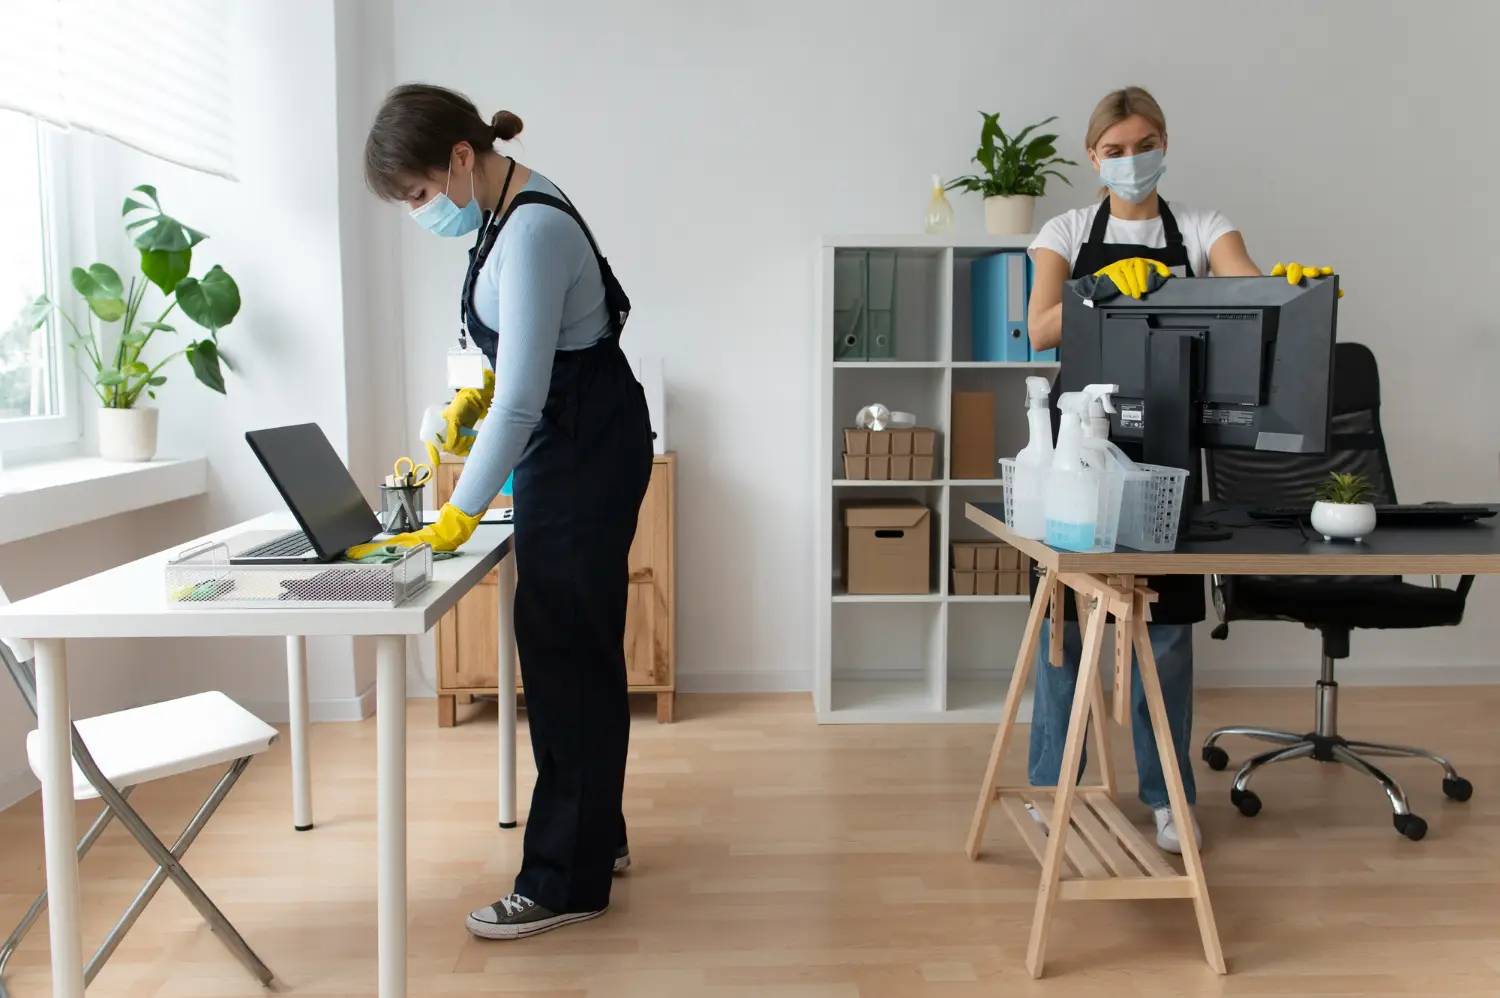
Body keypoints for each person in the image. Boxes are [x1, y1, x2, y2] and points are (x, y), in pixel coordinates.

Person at [359, 84, 654, 938]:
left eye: (418, 195)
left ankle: (566, 881)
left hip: (580, 451)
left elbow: (526, 400)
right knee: (575, 646)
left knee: (564, 651)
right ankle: (598, 837)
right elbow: (533, 358)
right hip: (574, 440)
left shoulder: (529, 228)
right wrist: (476, 403)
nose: (420, 213)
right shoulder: (503, 211)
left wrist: (455, 516)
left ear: (460, 157)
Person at [1024, 85, 1333, 853]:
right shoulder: (1064, 228)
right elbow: (1037, 329)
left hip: (1168, 447)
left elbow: (1251, 296)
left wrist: (1285, 292)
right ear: (1094, 157)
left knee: (1163, 633)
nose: (1133, 161)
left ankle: (1168, 798)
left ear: (1166, 143)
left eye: (1146, 143)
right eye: (1117, 149)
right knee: (1067, 626)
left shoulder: (1200, 227)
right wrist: (1098, 289)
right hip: (1081, 451)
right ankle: (1050, 787)